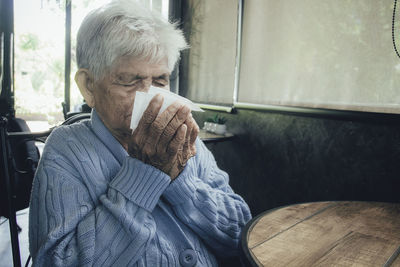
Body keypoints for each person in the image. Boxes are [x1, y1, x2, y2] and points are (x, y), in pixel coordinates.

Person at [28, 0, 252, 266]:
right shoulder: (66, 149)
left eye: (160, 81)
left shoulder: (185, 143)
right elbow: (58, 261)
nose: (149, 95)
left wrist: (181, 179)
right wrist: (145, 174)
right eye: (129, 81)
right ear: (89, 86)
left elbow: (240, 235)